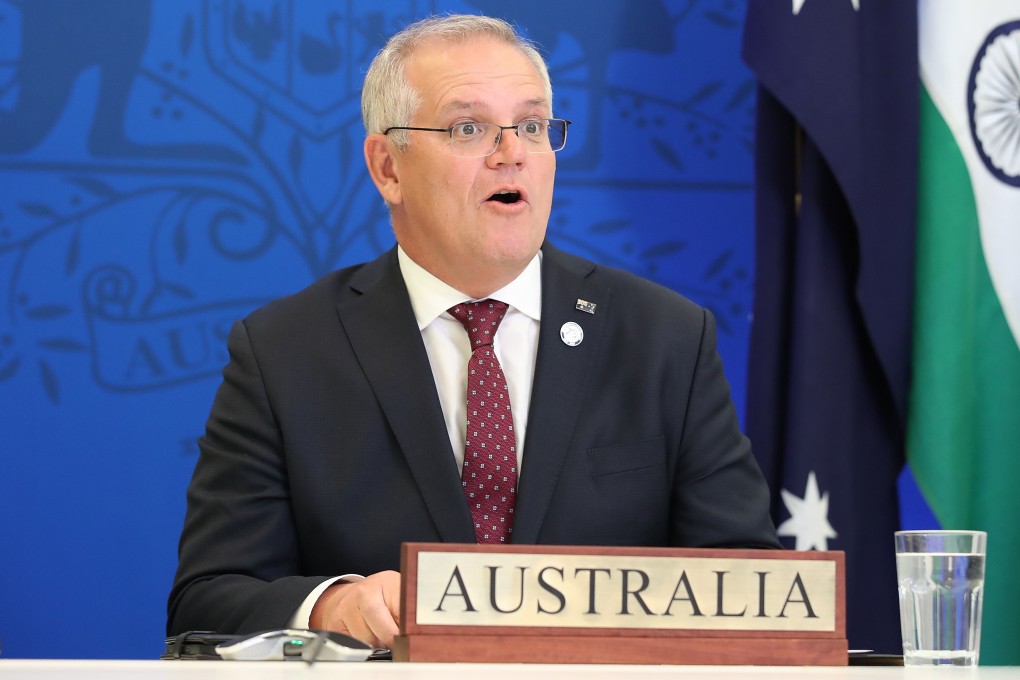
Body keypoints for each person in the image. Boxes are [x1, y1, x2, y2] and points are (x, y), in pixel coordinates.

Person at [167, 13, 780, 650]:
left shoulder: (665, 339)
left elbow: (753, 588)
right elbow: (207, 600)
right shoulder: (284, 352)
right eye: (469, 128)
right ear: (388, 168)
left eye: (533, 126)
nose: (512, 152)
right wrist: (331, 604)